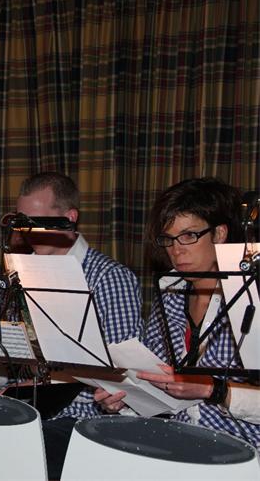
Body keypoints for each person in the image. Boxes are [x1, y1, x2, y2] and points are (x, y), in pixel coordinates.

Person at [0, 172, 143, 478]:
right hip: (36, 410)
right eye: (22, 222)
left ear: (70, 218)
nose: (28, 231)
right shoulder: (23, 273)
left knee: (2, 454)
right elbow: (26, 359)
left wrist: (23, 395)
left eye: (38, 221)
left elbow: (123, 374)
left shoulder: (109, 278)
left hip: (87, 417)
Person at [96, 177, 260, 447]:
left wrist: (214, 390)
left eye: (188, 236)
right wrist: (125, 400)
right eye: (169, 239)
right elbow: (160, 390)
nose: (176, 250)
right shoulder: (170, 292)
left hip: (244, 450)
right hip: (176, 441)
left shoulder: (252, 296)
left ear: (219, 234)